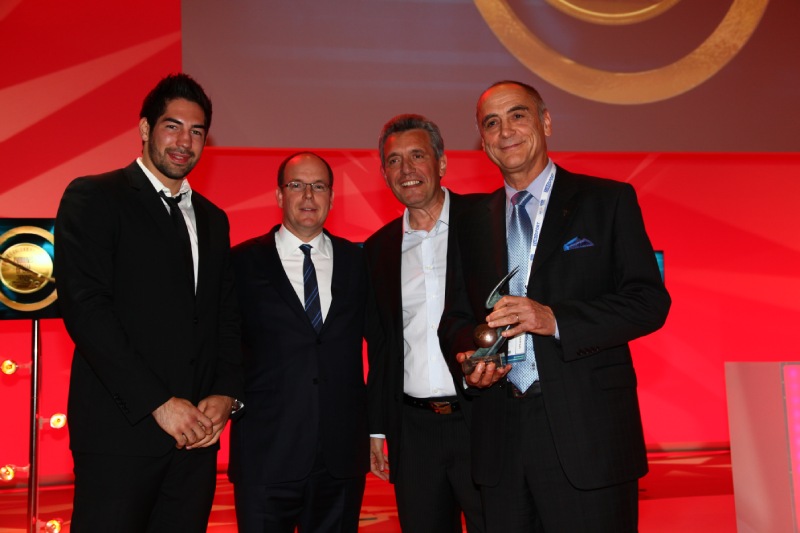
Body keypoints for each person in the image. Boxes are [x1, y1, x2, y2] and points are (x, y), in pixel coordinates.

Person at [438, 80, 671, 532]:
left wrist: (555, 319)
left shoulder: (607, 201)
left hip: (589, 435)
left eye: (518, 115)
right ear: (483, 142)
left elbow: (648, 301)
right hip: (500, 438)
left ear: (545, 122)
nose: (506, 131)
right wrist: (469, 357)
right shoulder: (468, 223)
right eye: (492, 123)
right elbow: (456, 320)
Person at [55, 73, 244, 532]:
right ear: (144, 128)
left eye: (197, 132)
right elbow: (87, 311)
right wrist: (158, 403)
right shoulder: (95, 197)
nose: (185, 142)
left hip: (195, 444)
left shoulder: (214, 220)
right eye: (172, 126)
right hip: (121, 435)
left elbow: (224, 317)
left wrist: (225, 394)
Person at [228, 151, 369, 532]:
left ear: (332, 197)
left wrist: (378, 429)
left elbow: (383, 345)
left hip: (340, 458)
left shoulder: (359, 263)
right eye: (296, 185)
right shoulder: (239, 263)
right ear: (279, 196)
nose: (308, 195)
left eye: (319, 186)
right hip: (266, 453)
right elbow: (221, 345)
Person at [364, 114, 485, 532]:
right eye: (394, 161)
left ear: (442, 163)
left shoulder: (486, 222)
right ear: (384, 174)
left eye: (417, 156)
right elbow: (380, 347)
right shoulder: (377, 250)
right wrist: (378, 428)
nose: (406, 170)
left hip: (483, 421)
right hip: (413, 433)